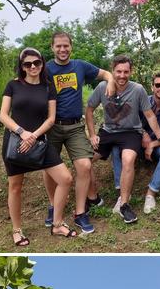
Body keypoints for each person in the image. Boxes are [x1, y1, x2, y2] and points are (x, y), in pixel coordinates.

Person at [0, 47, 77, 245]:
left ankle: (57, 224)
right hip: (16, 142)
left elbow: (51, 119)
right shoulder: (13, 85)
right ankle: (17, 230)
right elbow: (3, 115)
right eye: (28, 64)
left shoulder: (48, 87)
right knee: (15, 186)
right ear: (22, 67)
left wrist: (33, 136)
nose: (33, 66)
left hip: (40, 141)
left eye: (37, 63)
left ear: (42, 64)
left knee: (66, 179)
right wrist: (22, 133)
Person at [85, 55, 160, 224]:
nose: (122, 75)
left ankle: (124, 204)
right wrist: (92, 134)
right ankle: (92, 196)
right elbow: (89, 110)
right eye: (118, 71)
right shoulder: (103, 87)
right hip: (108, 132)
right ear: (113, 71)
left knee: (128, 158)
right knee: (84, 161)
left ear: (131, 72)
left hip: (130, 132)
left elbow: (149, 115)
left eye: (126, 72)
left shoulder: (138, 89)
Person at [43, 31, 116, 234]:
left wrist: (110, 81)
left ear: (71, 46)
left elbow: (106, 74)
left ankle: (80, 212)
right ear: (52, 48)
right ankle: (53, 206)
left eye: (66, 45)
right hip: (52, 126)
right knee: (49, 167)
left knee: (84, 165)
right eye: (58, 46)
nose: (62, 49)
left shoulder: (80, 66)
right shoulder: (46, 69)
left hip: (75, 126)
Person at [134, 73, 160, 214]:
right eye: (157, 85)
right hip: (138, 144)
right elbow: (132, 123)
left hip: (158, 146)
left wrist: (153, 144)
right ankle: (121, 194)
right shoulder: (143, 101)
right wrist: (144, 134)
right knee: (118, 148)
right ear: (152, 87)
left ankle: (150, 194)